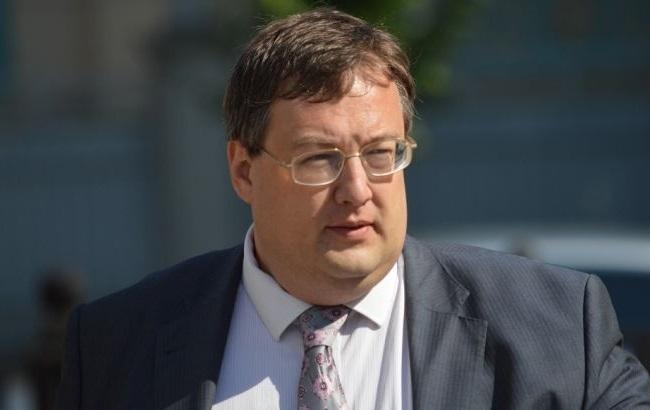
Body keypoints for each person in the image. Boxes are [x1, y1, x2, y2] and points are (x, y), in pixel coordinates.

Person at [56, 8, 650, 410]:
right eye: (319, 159)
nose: (358, 189)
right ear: (243, 170)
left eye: (381, 153)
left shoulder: (555, 329)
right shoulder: (117, 346)